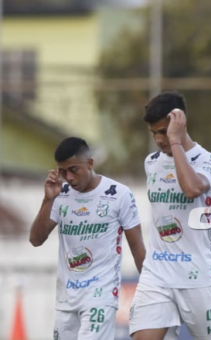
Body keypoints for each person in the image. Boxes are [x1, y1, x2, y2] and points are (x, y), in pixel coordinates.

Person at [129, 91, 211, 340]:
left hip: (198, 275)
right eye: (154, 133)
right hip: (157, 274)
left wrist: (175, 141)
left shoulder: (209, 160)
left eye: (163, 131)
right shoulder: (151, 162)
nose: (159, 139)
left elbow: (192, 188)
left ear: (180, 123)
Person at [30, 137, 146, 339]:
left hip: (99, 297)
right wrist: (47, 200)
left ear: (90, 163)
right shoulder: (60, 195)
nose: (69, 178)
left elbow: (137, 247)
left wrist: (150, 293)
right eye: (62, 172)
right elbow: (36, 239)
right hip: (66, 300)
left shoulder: (119, 195)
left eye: (73, 170)